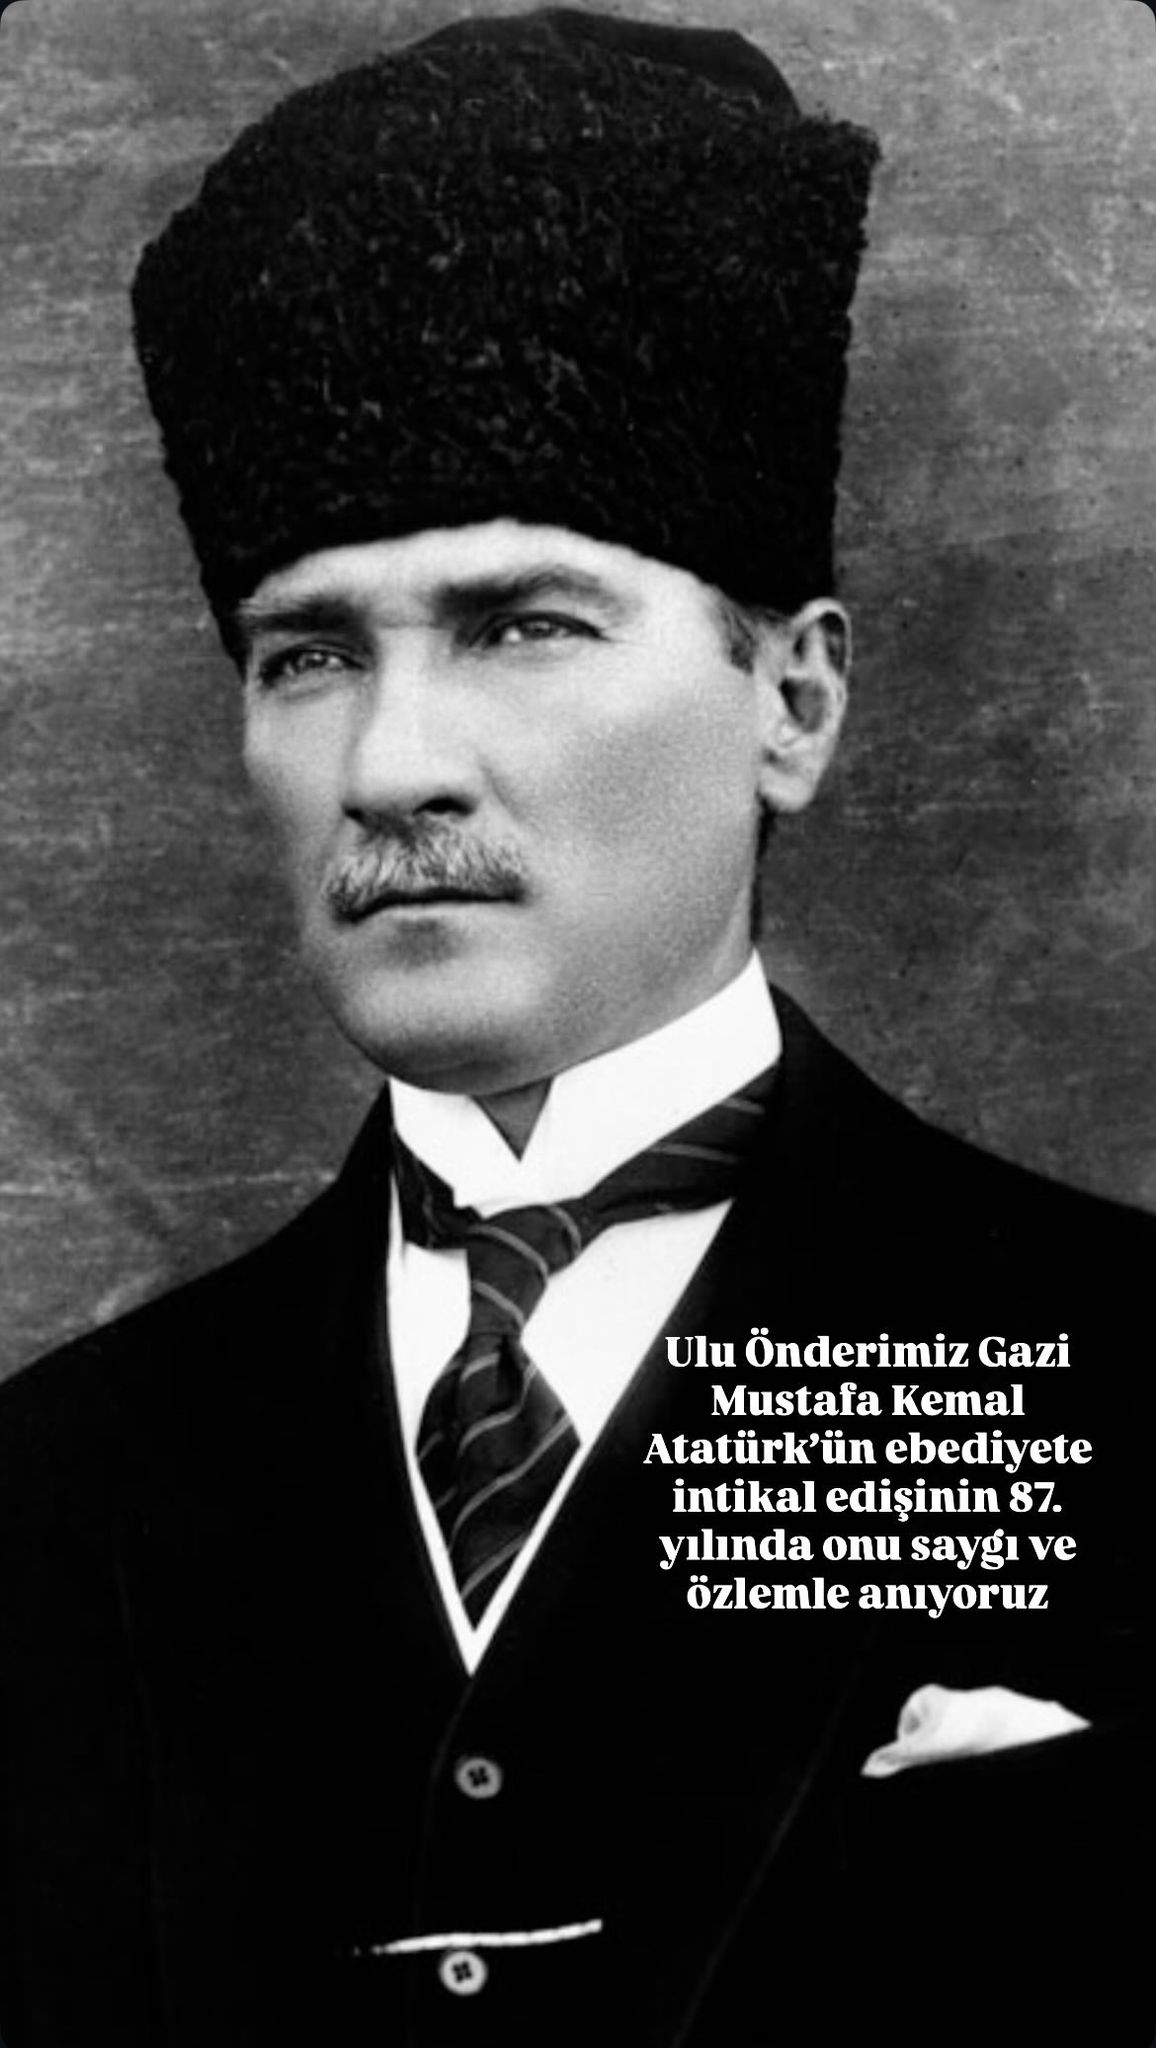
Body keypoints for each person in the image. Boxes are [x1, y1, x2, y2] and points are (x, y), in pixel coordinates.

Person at [0, 11, 1151, 2046]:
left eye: (520, 625)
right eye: (307, 654)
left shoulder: (1139, 1378)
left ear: (792, 703)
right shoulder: (52, 1490)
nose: (391, 766)